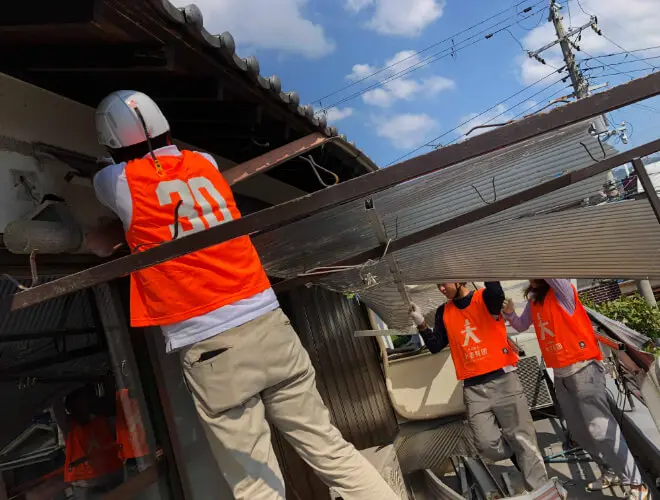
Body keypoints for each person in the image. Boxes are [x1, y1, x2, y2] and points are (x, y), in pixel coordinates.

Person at [90, 90, 398, 500]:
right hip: (267, 319)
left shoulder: (116, 182)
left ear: (112, 145)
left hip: (211, 343)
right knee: (330, 449)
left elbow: (106, 190)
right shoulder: (205, 163)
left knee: (256, 484)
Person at [503, 279, 649, 500]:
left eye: (534, 271)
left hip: (584, 370)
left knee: (600, 428)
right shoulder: (535, 301)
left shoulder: (562, 293)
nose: (531, 277)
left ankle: (637, 485)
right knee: (580, 432)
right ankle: (609, 470)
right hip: (561, 376)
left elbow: (551, 273)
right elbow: (521, 325)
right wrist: (510, 313)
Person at [410, 282, 548, 492]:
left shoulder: (485, 299)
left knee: (523, 439)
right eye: (438, 285)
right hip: (473, 388)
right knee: (487, 445)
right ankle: (518, 450)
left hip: (503, 380)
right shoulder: (443, 312)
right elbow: (435, 345)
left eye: (443, 284)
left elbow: (496, 291)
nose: (441, 289)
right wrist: (420, 323)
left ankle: (540, 489)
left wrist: (475, 263)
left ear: (459, 280)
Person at [63, 387, 124, 499]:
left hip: (111, 474)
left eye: (83, 404)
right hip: (84, 483)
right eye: (76, 407)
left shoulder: (103, 421)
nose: (81, 409)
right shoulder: (69, 428)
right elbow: (57, 407)